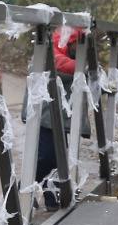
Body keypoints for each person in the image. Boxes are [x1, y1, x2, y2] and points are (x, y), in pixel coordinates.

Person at [30, 27, 83, 211]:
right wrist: (82, 64)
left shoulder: (68, 45)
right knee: (46, 157)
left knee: (57, 158)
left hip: (57, 114)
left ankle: (51, 199)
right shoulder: (55, 45)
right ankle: (25, 190)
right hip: (45, 114)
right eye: (76, 44)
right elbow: (59, 63)